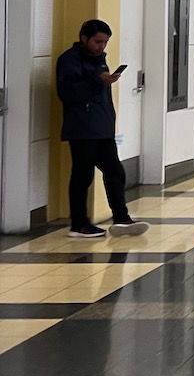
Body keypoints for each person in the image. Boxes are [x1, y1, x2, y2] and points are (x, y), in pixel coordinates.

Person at [56, 20, 150, 238]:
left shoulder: (100, 61)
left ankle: (121, 218)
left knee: (115, 171)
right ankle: (79, 223)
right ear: (84, 38)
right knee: (83, 174)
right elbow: (67, 93)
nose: (102, 46)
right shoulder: (69, 61)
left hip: (102, 126)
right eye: (98, 41)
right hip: (81, 128)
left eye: (105, 42)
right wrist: (98, 82)